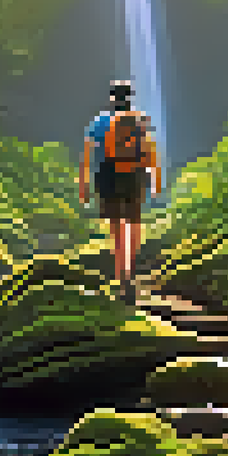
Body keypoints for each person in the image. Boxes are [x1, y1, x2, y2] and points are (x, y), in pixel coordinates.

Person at [80, 80, 161, 305]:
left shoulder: (100, 122)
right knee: (134, 223)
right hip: (135, 177)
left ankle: (121, 278)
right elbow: (151, 149)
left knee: (117, 228)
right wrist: (155, 180)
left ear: (111, 99)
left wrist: (84, 186)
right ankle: (132, 271)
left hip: (108, 176)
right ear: (131, 98)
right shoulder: (140, 120)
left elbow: (86, 154)